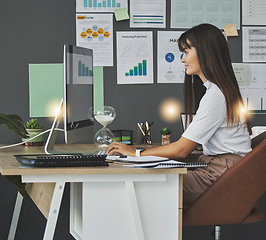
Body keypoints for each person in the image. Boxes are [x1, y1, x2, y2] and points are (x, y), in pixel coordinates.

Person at [107, 23, 252, 204]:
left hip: (222, 174)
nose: (182, 59)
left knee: (148, 182)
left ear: (206, 52)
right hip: (222, 168)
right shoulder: (218, 91)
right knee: (152, 178)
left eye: (186, 51)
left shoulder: (216, 95)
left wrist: (136, 153)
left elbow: (182, 150)